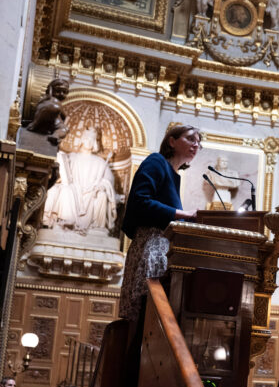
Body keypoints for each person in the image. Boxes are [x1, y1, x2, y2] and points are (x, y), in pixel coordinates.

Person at [120, 125, 200, 327]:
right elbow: (140, 200)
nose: (196, 144)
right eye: (190, 138)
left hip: (162, 248)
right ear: (171, 141)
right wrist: (186, 214)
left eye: (199, 142)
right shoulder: (156, 161)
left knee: (153, 319)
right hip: (150, 245)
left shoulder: (174, 175)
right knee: (145, 313)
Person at [45, 126, 118, 233]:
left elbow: (108, 181)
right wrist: (61, 178)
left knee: (102, 195)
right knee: (62, 190)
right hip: (73, 190)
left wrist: (101, 186)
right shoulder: (71, 157)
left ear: (94, 143)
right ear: (82, 140)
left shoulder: (100, 162)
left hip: (92, 194)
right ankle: (65, 222)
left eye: (91, 140)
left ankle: (96, 229)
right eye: (87, 139)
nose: (88, 142)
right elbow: (61, 175)